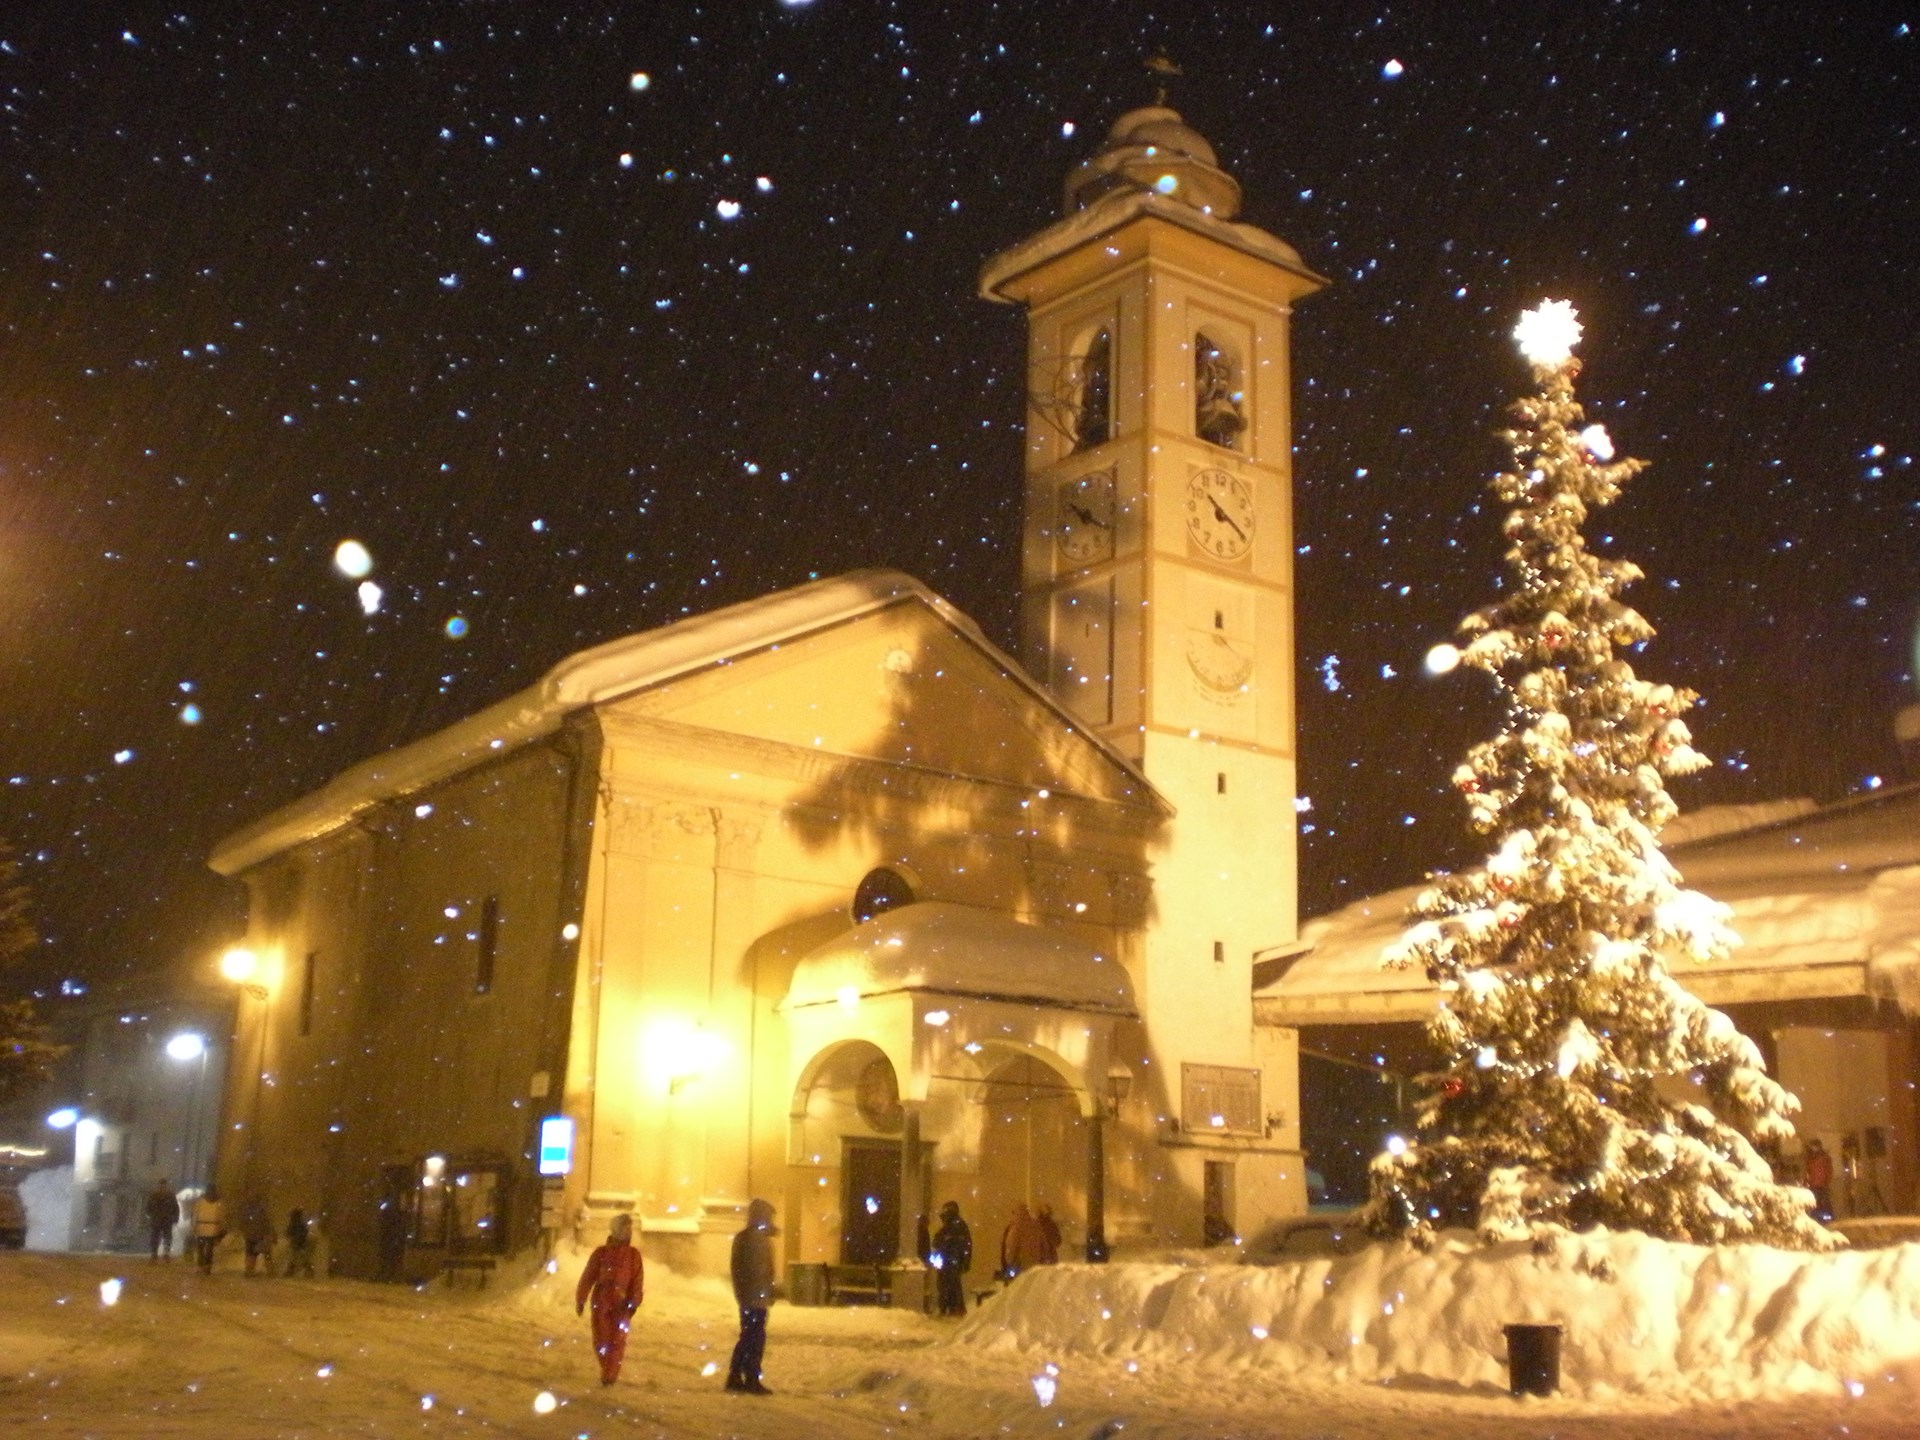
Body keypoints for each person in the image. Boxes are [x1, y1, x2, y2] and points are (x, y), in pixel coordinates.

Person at [575, 1213, 643, 1386]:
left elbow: (637, 1281)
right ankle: (607, 1368)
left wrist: (634, 1302)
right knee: (601, 1340)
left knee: (618, 1341)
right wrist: (581, 1298)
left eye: (629, 1228)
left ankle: (610, 1375)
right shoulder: (601, 1254)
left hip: (622, 1306)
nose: (627, 1232)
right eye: (623, 1228)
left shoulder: (634, 1256)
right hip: (601, 1304)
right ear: (615, 1230)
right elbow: (588, 1276)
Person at [726, 1198, 777, 1395]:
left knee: (750, 1336)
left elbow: (765, 1270)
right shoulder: (752, 1239)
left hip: (755, 1295)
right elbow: (742, 1269)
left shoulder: (753, 1238)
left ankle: (738, 1375)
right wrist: (749, 1292)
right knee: (753, 1337)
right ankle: (749, 1376)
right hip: (752, 1296)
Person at [930, 1200, 973, 1317]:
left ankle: (951, 1308)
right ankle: (951, 1308)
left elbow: (962, 1244)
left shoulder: (955, 1226)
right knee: (949, 1285)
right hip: (950, 1261)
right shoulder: (953, 1226)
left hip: (951, 1261)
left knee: (950, 1286)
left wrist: (964, 1260)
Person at [1000, 1202, 1049, 1280]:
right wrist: (1043, 1260)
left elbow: (1011, 1247)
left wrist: (1009, 1262)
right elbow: (1044, 1246)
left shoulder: (1016, 1228)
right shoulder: (1036, 1226)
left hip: (1020, 1266)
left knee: (1019, 1288)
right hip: (1035, 1266)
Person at [193, 1185, 226, 1274]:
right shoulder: (219, 1202)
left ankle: (201, 1266)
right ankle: (207, 1266)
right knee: (209, 1249)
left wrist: (194, 1226)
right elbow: (221, 1216)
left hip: (201, 1226)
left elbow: (195, 1214)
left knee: (201, 1248)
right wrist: (221, 1227)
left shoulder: (200, 1201)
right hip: (212, 1227)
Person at [145, 1178, 180, 1261]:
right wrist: (175, 1218)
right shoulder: (168, 1195)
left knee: (161, 1237)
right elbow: (148, 1207)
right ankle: (158, 1254)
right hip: (162, 1219)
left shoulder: (155, 1194)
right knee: (160, 1237)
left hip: (162, 1219)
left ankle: (161, 1254)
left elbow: (175, 1207)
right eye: (161, 1185)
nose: (162, 1187)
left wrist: (175, 1217)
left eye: (163, 1185)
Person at [240, 1195, 275, 1276]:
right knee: (267, 1253)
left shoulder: (247, 1212)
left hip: (250, 1236)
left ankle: (249, 1269)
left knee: (250, 1253)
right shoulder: (263, 1212)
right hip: (261, 1235)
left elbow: (243, 1223)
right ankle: (270, 1270)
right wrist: (269, 1233)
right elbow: (267, 1224)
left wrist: (245, 1231)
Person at [1804, 1137, 1834, 1221]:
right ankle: (1817, 1217)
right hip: (1814, 1184)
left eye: (1814, 1146)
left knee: (1824, 1201)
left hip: (1822, 1184)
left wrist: (1826, 1181)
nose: (1813, 1148)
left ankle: (1827, 1217)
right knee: (1816, 1202)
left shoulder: (1824, 1157)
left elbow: (1829, 1170)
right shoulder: (1810, 1158)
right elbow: (1808, 1171)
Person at [285, 1207, 316, 1277]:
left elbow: (288, 1233)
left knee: (294, 1259)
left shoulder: (293, 1223)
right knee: (303, 1259)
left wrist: (294, 1240)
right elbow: (305, 1233)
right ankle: (309, 1273)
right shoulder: (302, 1224)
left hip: (296, 1244)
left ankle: (290, 1272)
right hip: (302, 1243)